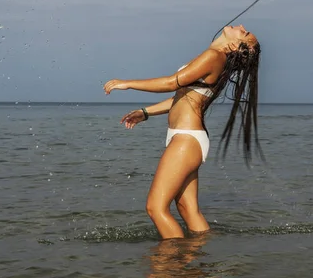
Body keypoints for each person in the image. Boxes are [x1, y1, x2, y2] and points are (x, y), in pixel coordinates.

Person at [103, 24, 262, 239]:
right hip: (189, 138)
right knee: (188, 210)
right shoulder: (216, 59)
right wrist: (145, 112)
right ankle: (199, 263)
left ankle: (172, 264)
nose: (242, 26)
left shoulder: (214, 56)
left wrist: (128, 83)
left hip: (187, 140)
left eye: (244, 32)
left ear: (236, 46)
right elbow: (182, 97)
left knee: (155, 208)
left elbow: (171, 83)